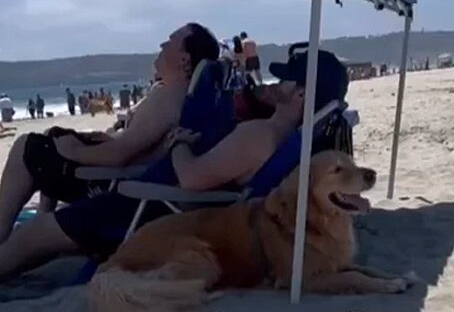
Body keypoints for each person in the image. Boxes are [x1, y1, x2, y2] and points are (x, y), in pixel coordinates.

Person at [0, 49, 349, 281]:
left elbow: (192, 178)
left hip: (145, 212)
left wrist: (180, 142)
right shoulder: (278, 137)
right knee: (32, 238)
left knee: (29, 239)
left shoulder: (260, 135)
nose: (274, 84)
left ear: (301, 94)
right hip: (158, 208)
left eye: (286, 79)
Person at [0, 24, 221, 242]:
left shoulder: (170, 97)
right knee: (53, 135)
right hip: (122, 175)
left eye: (171, 41)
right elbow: (141, 143)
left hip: (111, 184)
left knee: (27, 146)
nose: (162, 44)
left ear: (184, 59)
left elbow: (119, 155)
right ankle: (41, 218)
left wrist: (75, 151)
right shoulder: (175, 94)